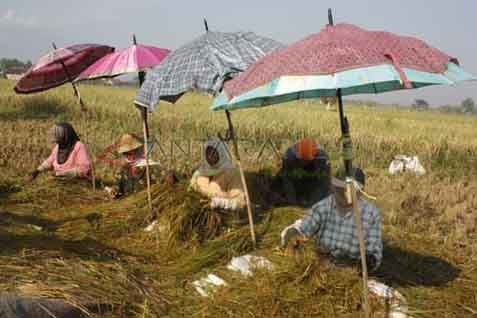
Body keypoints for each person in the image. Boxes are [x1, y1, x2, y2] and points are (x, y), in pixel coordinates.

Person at [280, 167, 383, 272]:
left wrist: (368, 262)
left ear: (360, 192)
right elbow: (305, 228)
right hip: (321, 266)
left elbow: (374, 251)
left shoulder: (370, 215)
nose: (343, 194)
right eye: (340, 189)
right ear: (333, 188)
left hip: (351, 270)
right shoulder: (323, 207)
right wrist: (294, 232)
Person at [190, 137, 245, 211]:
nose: (210, 157)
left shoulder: (232, 173)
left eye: (214, 153)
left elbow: (240, 203)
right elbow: (191, 189)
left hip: (224, 216)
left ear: (221, 153)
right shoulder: (200, 172)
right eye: (208, 153)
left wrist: (219, 203)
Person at [273, 138, 331, 206]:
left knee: (323, 190)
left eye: (306, 160)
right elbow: (287, 181)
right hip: (294, 171)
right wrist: (293, 202)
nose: (304, 162)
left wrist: (312, 203)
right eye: (302, 160)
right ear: (297, 156)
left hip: (314, 171)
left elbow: (322, 183)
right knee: (279, 182)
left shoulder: (322, 158)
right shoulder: (289, 157)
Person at [98, 133, 158, 198]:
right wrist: (113, 190)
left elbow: (158, 187)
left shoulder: (151, 167)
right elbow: (119, 188)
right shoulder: (124, 169)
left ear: (137, 150)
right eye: (125, 153)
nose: (128, 156)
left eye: (131, 152)